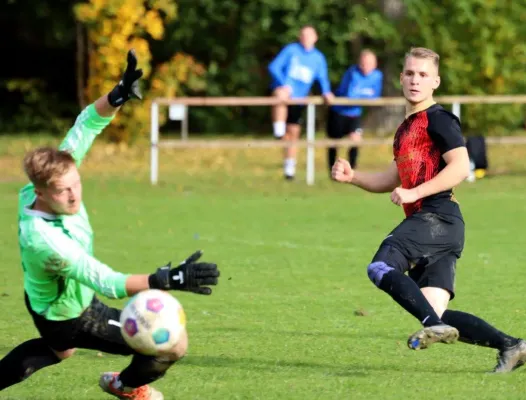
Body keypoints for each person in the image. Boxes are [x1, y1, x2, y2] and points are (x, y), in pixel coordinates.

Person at [0, 50, 221, 400]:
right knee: (173, 346)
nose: (74, 195)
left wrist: (118, 94)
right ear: (42, 193)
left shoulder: (46, 178)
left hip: (42, 301)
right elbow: (104, 280)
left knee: (60, 351)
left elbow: (86, 123)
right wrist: (166, 279)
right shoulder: (44, 240)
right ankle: (124, 386)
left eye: (76, 184)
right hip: (73, 313)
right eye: (63, 191)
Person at [330, 47, 526, 373]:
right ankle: (511, 346)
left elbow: (461, 166)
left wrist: (416, 191)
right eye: (410, 73)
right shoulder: (405, 129)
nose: (415, 80)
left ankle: (431, 325)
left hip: (436, 216)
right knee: (436, 313)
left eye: (423, 75)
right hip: (442, 226)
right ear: (400, 78)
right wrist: (353, 177)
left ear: (435, 81)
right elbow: (394, 177)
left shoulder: (438, 119)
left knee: (380, 267)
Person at [268, 25, 335, 180]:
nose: (306, 38)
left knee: (293, 134)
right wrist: (283, 83)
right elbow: (274, 67)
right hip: (284, 95)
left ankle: (289, 170)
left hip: (299, 99)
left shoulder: (318, 58)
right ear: (299, 37)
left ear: (315, 38)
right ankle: (278, 129)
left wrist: (326, 92)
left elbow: (322, 78)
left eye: (309, 35)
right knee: (280, 94)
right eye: (303, 35)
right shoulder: (291, 50)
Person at [326, 49, 383, 172]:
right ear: (359, 63)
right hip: (338, 112)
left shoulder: (377, 76)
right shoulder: (353, 72)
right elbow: (350, 95)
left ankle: (352, 169)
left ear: (375, 64)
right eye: (363, 63)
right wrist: (366, 94)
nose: (366, 67)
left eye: (369, 64)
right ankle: (332, 170)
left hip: (354, 113)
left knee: (356, 139)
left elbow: (375, 96)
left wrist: (362, 95)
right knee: (334, 143)